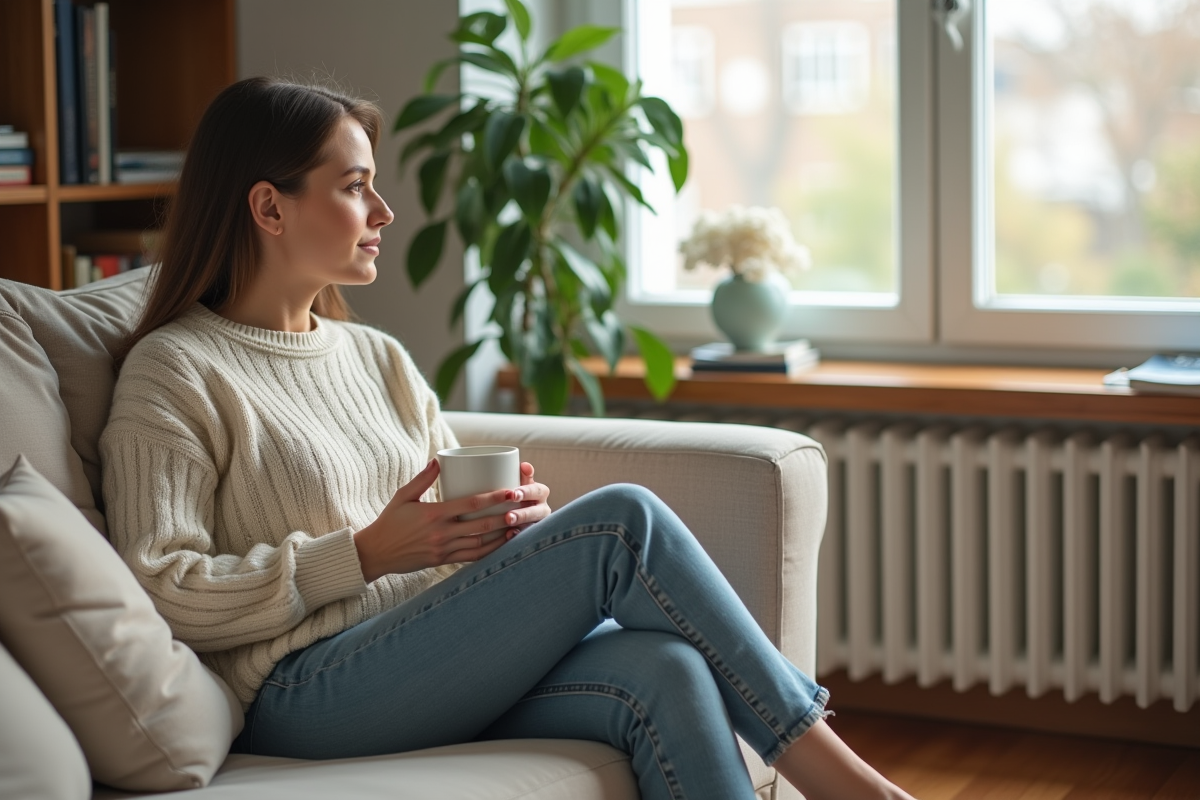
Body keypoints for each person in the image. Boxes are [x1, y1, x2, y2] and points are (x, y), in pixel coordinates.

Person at [100, 76, 916, 800]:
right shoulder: (175, 371)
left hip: (427, 653)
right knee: (620, 521)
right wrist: (363, 554)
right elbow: (161, 582)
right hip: (304, 691)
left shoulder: (375, 357)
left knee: (667, 669)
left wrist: (500, 529)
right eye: (355, 188)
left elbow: (439, 531)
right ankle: (852, 787)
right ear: (270, 206)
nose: (384, 213)